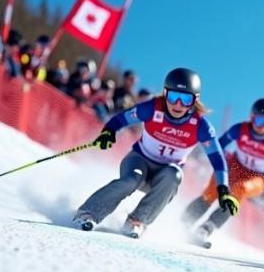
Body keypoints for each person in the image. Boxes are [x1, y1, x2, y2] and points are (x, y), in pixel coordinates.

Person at [71, 67, 239, 238]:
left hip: (165, 176)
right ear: (165, 94)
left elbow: (218, 160)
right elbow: (121, 119)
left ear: (194, 101)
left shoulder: (201, 126)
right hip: (139, 161)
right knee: (131, 180)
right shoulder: (152, 108)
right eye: (173, 97)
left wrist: (223, 189)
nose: (178, 104)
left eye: (185, 99)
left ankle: (137, 221)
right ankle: (88, 213)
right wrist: (109, 131)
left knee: (173, 175)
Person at [181, 97, 264, 246]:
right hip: (235, 167)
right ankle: (184, 221)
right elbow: (218, 145)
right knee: (212, 191)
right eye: (259, 121)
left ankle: (205, 229)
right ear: (252, 118)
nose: (262, 127)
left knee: (240, 189)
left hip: (258, 178)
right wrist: (210, 160)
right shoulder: (240, 129)